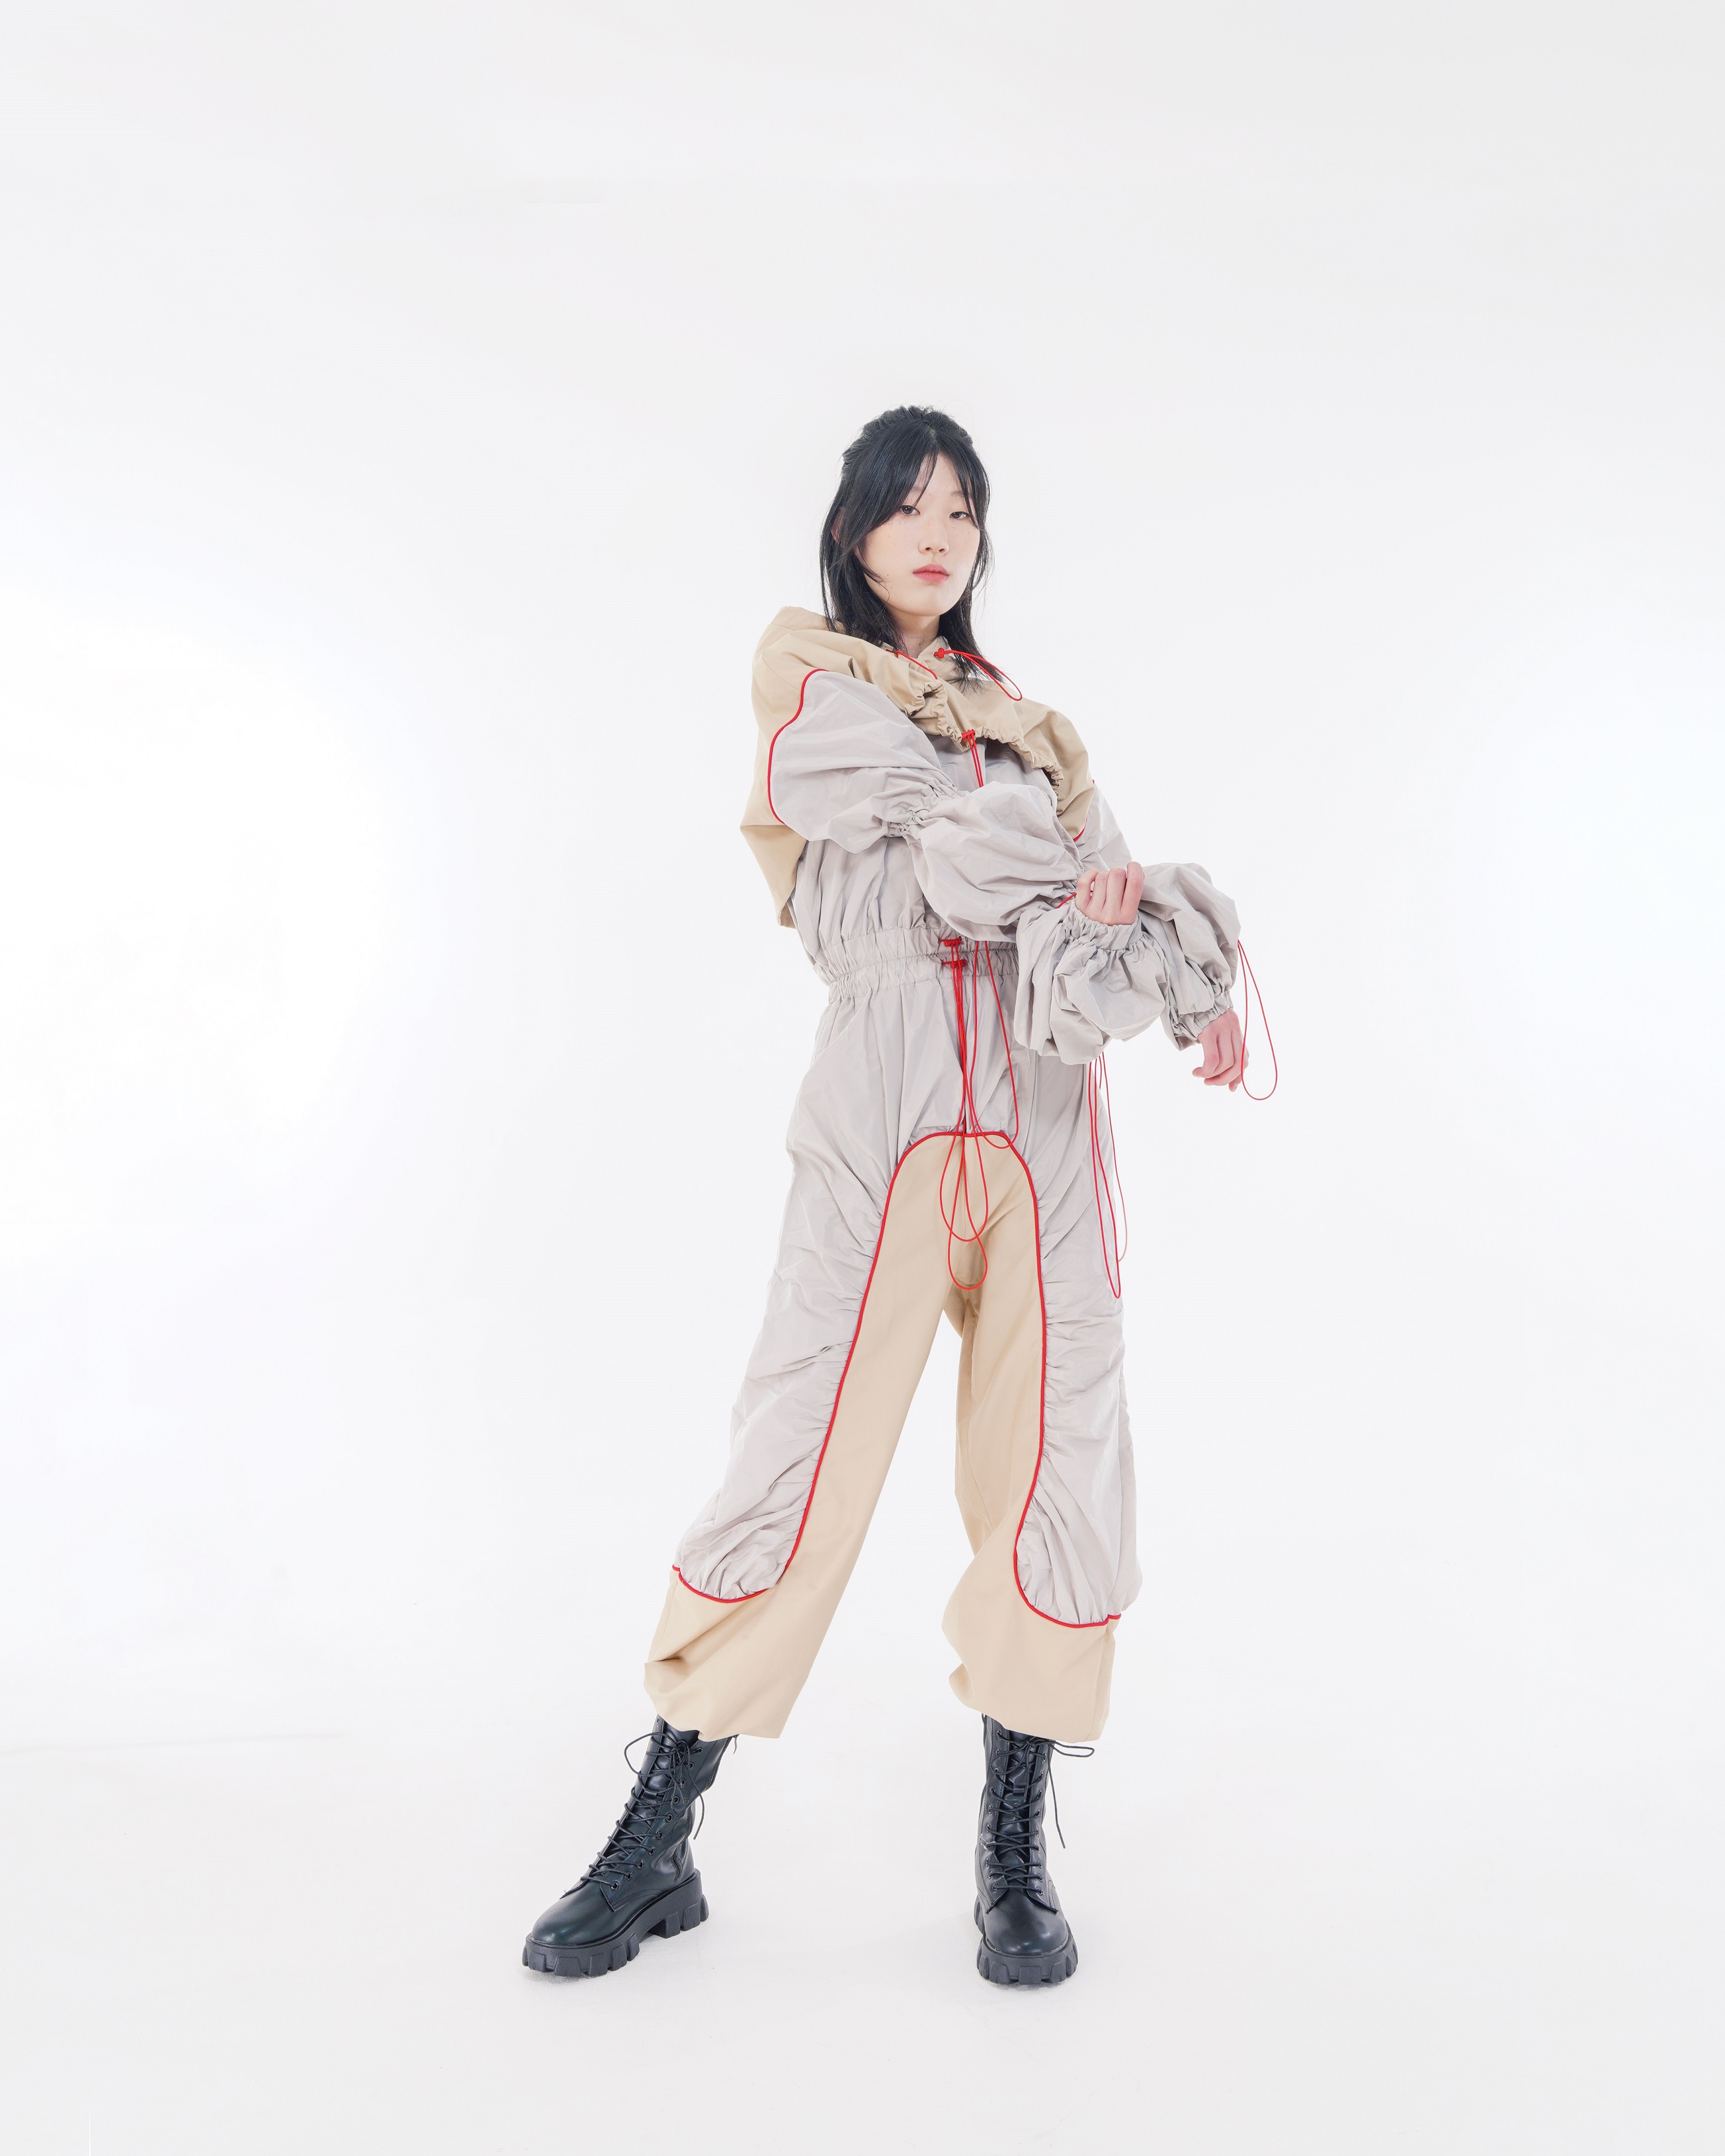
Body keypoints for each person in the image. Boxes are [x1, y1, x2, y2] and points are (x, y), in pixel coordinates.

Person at [523, 405, 1246, 1988]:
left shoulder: (1033, 730)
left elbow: (1098, 928)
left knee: (1055, 1460)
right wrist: (1101, 891)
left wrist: (1152, 943)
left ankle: (1012, 1849)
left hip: (1040, 1120)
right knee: (797, 1444)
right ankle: (658, 1830)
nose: (937, 534)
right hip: (882, 1105)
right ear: (853, 528)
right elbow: (955, 844)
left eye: (962, 510)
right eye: (907, 506)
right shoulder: (815, 683)